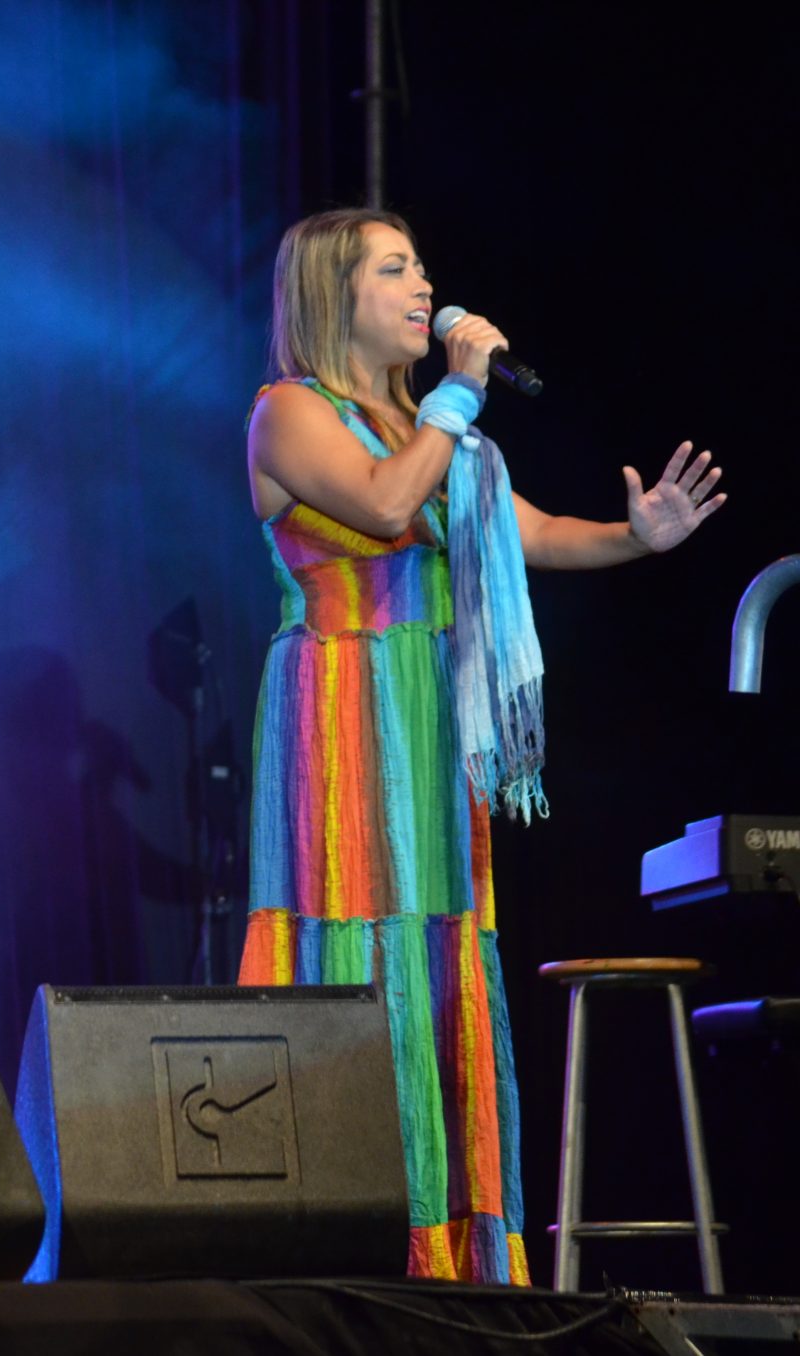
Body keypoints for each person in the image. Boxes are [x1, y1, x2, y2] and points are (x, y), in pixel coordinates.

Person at [237, 210, 725, 1284]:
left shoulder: (423, 428)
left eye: (419, 266)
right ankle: (348, 1243)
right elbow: (381, 500)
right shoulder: (288, 414)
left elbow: (521, 533)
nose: (424, 287)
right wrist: (457, 391)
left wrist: (634, 539)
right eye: (394, 269)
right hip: (340, 713)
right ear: (332, 294)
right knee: (352, 955)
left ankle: (444, 1260)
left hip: (425, 726)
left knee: (433, 955)